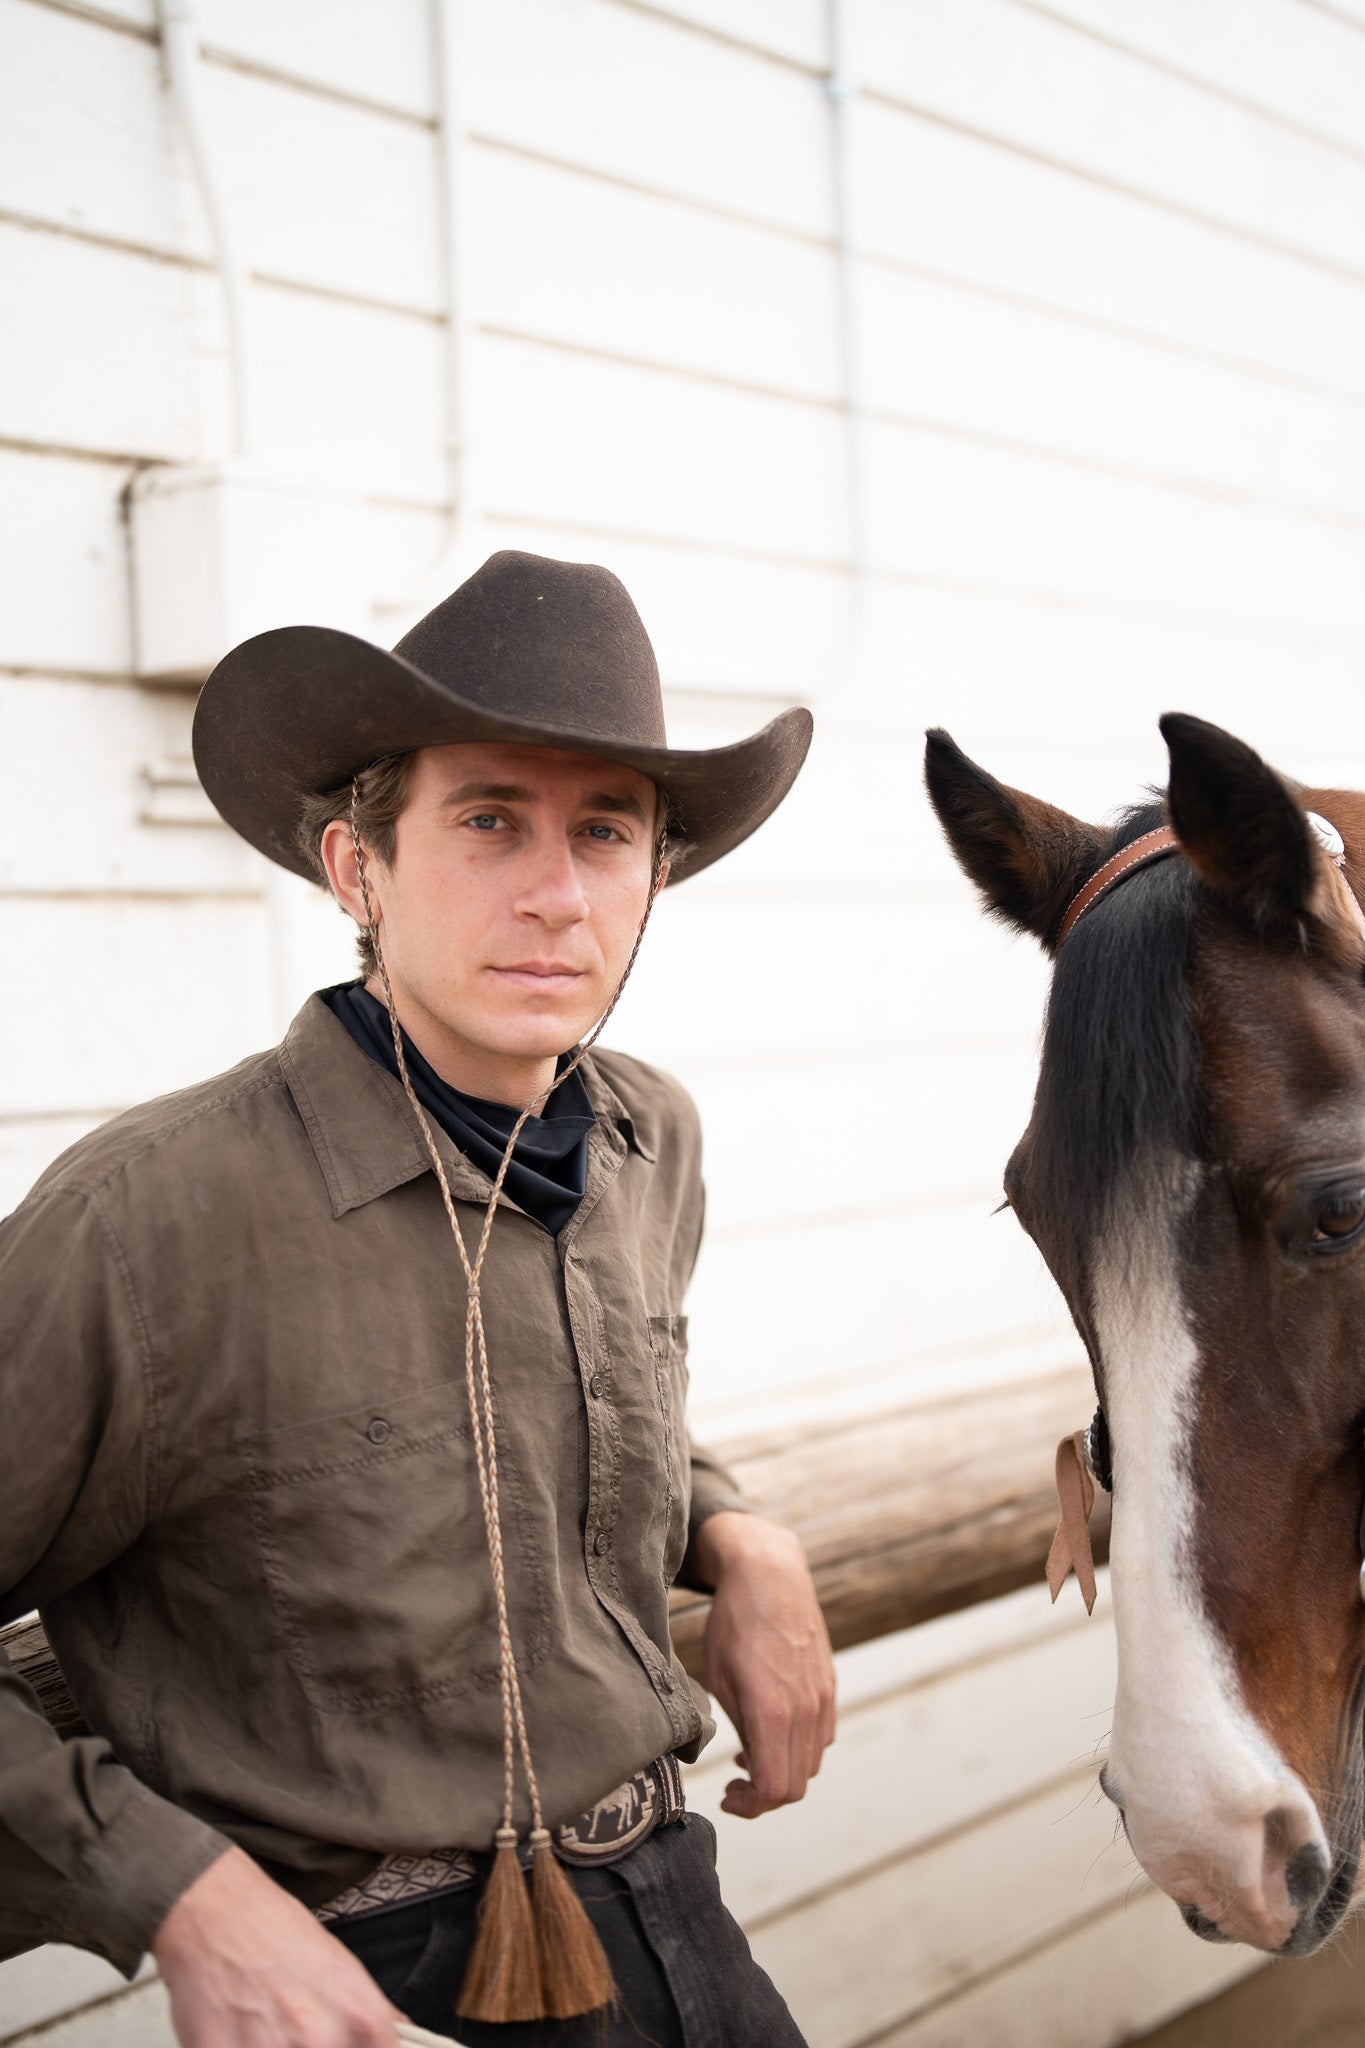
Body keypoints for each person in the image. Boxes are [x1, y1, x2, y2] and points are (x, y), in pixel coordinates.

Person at [0, 551, 835, 2047]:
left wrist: (735, 1529)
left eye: (606, 831)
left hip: (677, 1910)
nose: (556, 894)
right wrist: (175, 1888)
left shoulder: (651, 1140)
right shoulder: (144, 1223)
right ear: (355, 869)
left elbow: (573, 1413)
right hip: (363, 1976)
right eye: (488, 820)